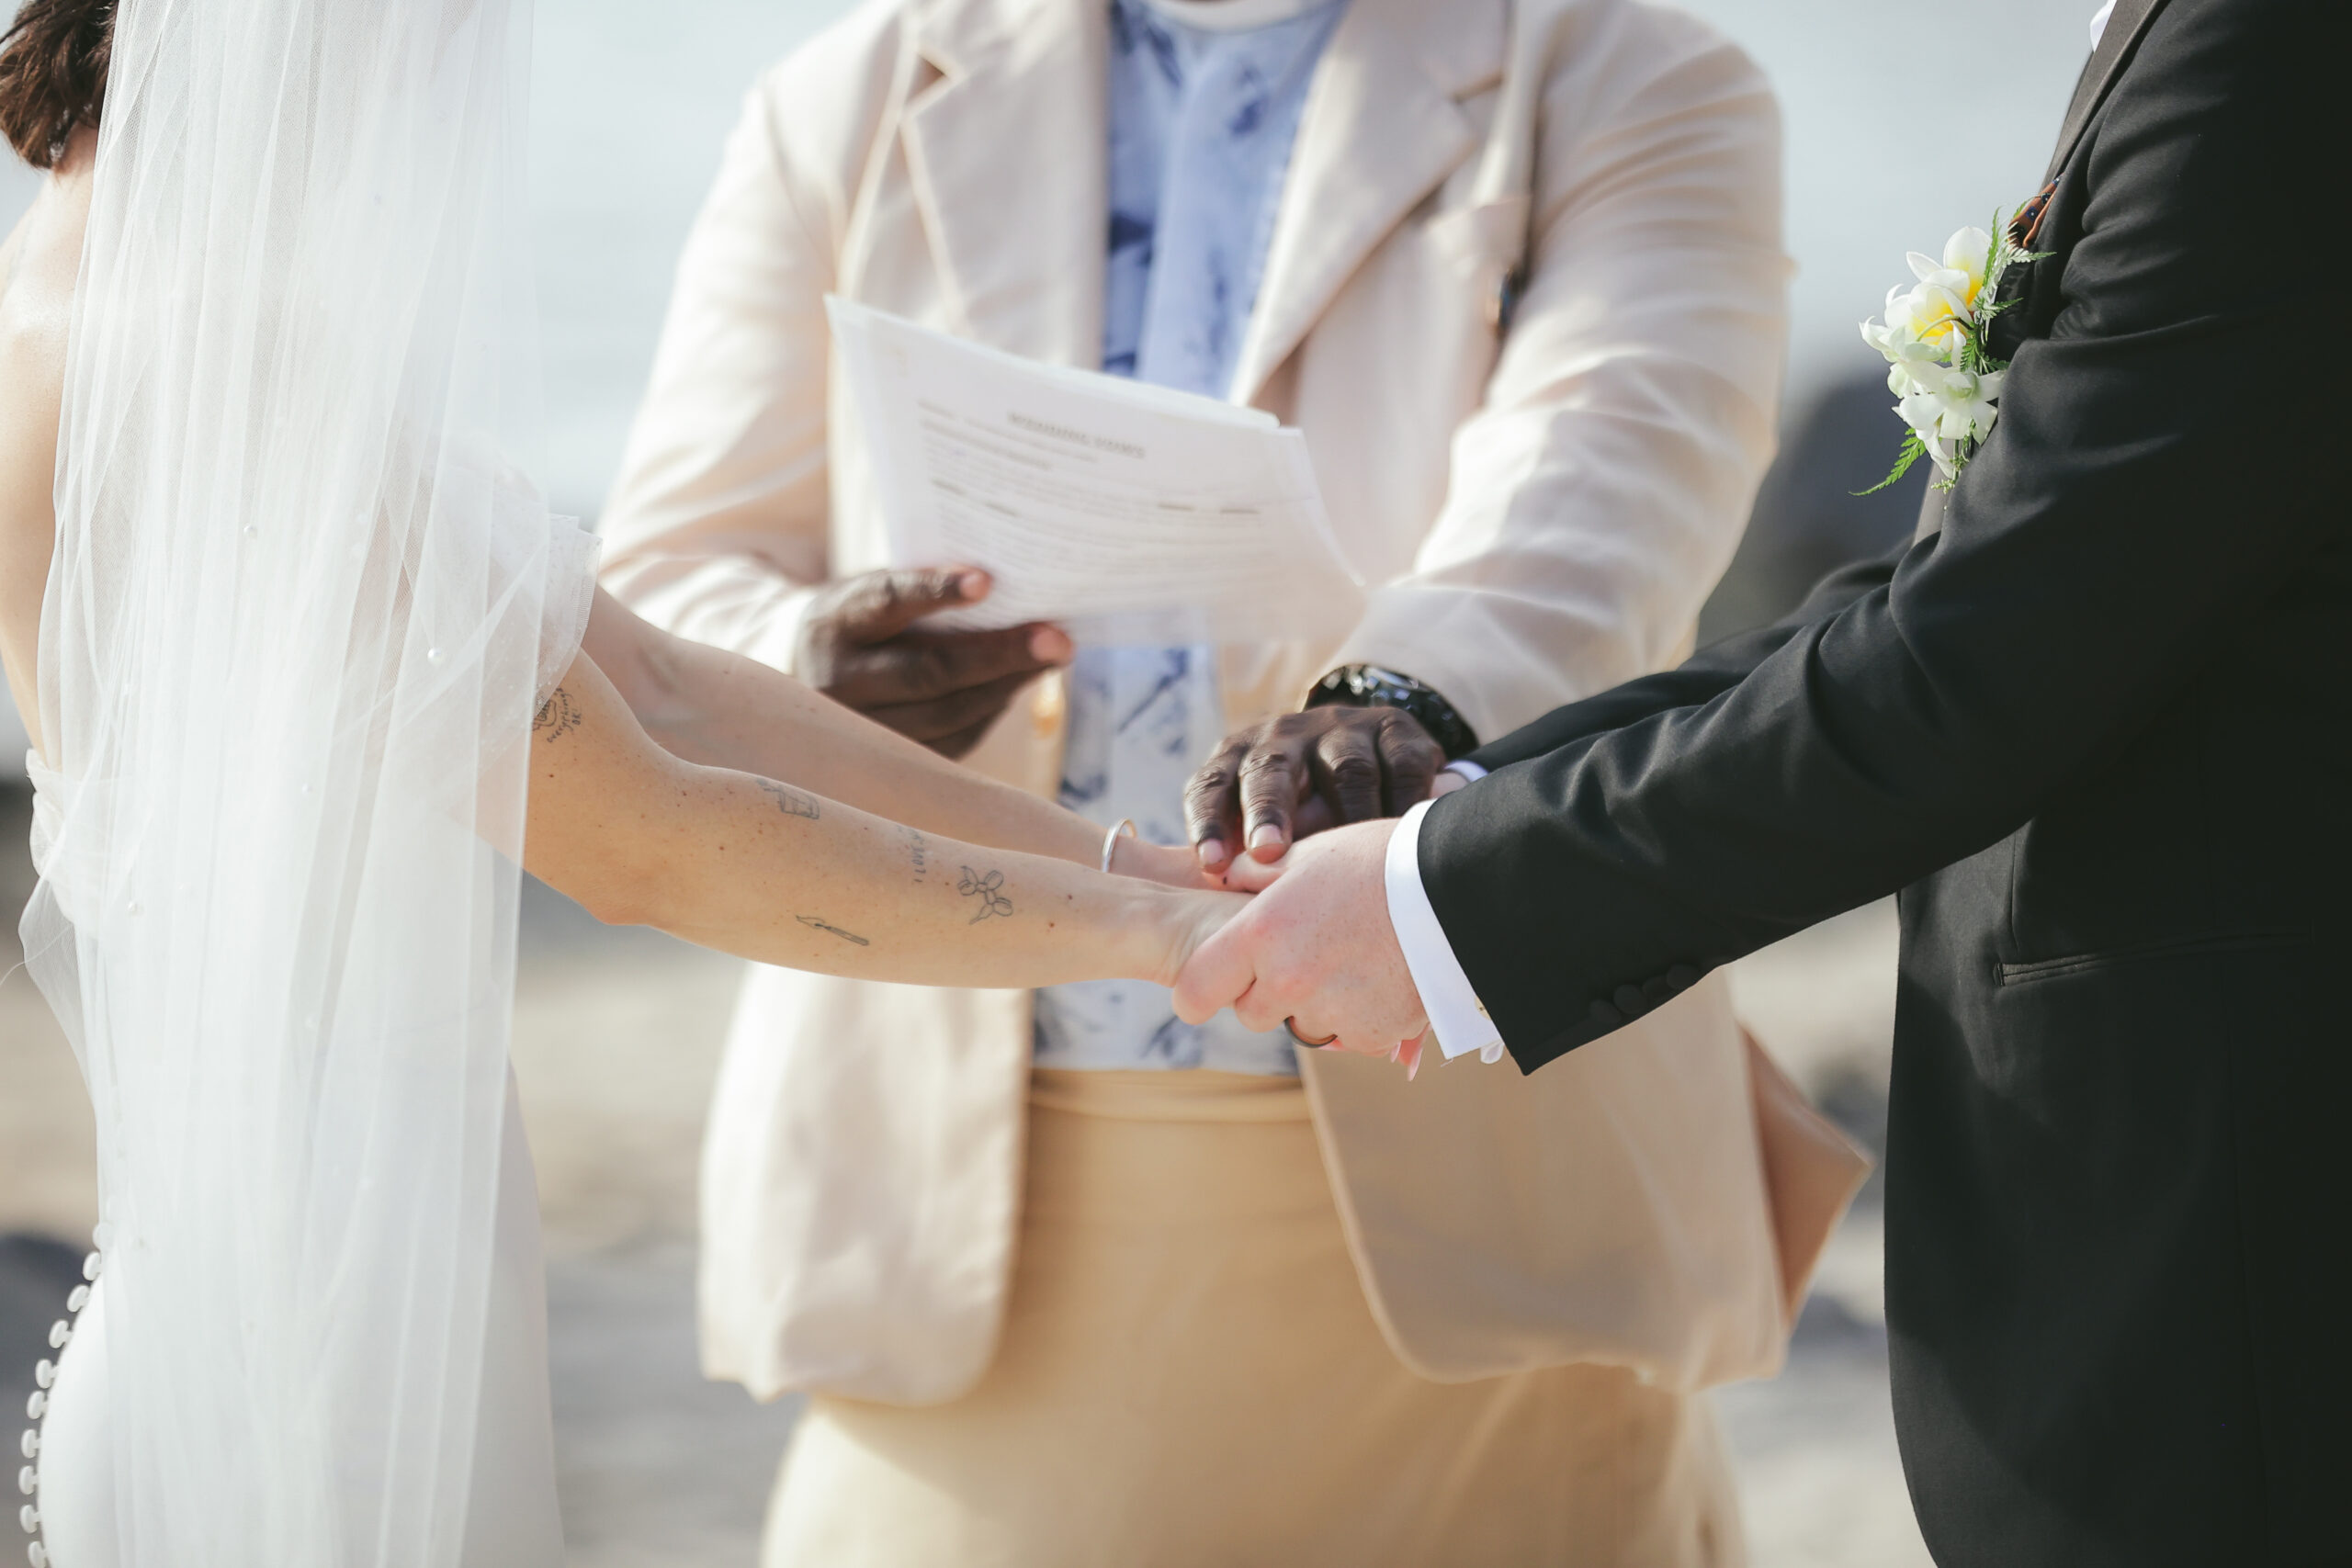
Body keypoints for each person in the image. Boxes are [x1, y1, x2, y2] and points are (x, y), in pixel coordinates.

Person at [599, 0, 1865, 1561]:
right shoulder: (843, 98)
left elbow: (1617, 461)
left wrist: (1397, 692)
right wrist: (811, 663)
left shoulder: (1619, 67)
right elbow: (669, 569)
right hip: (949, 1202)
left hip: (1477, 1170)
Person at [0, 1, 1241, 1561]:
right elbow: (645, 843)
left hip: (314, 1268)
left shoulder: (97, 293)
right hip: (319, 1341)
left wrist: (1139, 870)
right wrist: (1170, 947)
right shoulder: (201, 359)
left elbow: (659, 687)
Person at [1174, 2, 2349, 1565]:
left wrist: (1444, 904)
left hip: (2241, 1248)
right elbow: (1965, 585)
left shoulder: (2273, 42)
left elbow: (2000, 647)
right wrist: (1466, 801)